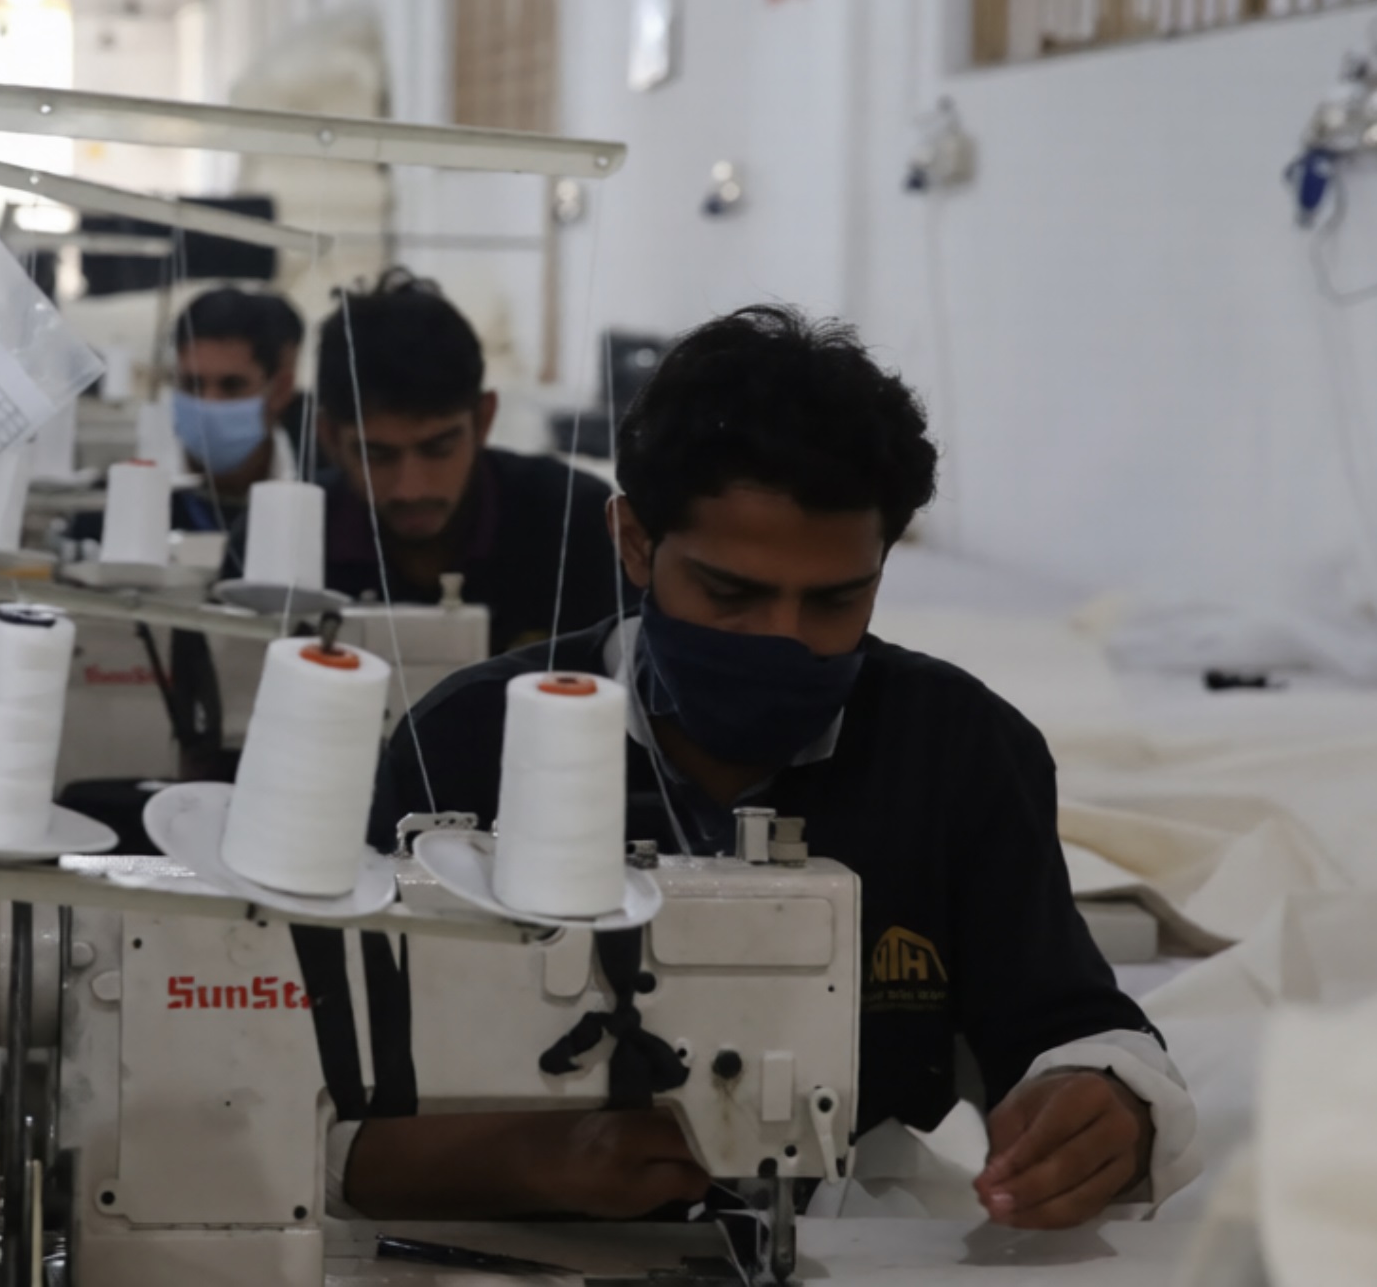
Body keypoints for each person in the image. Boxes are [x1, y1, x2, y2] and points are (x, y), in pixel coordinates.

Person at [347, 305, 1197, 1230]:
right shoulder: (469, 744)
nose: (783, 639)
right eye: (731, 593)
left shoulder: (959, 750)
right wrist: (533, 1160)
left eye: (835, 600)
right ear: (634, 541)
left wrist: (1108, 1104)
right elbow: (332, 1112)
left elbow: (1066, 1021)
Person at [245, 270, 618, 654]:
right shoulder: (279, 540)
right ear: (329, 437)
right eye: (377, 455)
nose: (411, 488)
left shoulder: (574, 522)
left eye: (438, 449)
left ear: (483, 420)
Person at [168, 286, 307, 530]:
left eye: (231, 385)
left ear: (280, 390)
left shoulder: (319, 493)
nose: (208, 402)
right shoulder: (123, 498)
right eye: (193, 384)